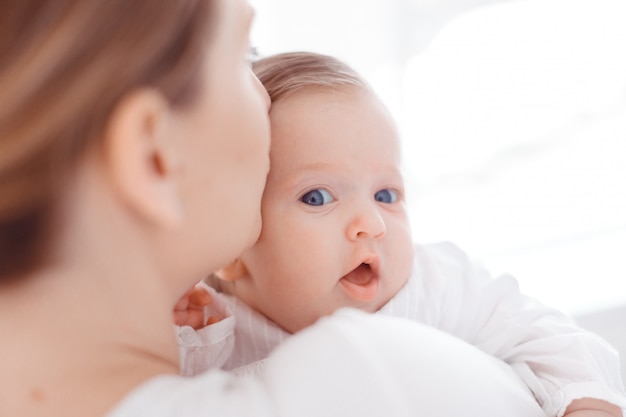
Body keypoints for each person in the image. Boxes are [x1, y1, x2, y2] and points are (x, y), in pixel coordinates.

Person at [0, 1, 557, 417]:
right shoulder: (371, 381)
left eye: (387, 193)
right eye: (244, 55)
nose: (269, 95)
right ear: (155, 157)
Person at [176, 52, 626, 417]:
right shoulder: (209, 333)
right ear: (231, 245)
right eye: (318, 197)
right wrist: (174, 334)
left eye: (387, 194)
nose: (371, 223)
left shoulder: (429, 286)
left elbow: (541, 331)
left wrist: (586, 405)